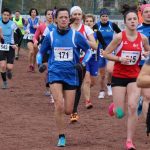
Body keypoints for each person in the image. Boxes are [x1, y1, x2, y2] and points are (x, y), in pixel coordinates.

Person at [36, 8, 92, 147]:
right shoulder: (51, 36)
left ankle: (69, 113)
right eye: (61, 17)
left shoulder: (76, 35)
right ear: (55, 20)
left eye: (66, 17)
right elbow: (41, 52)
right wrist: (40, 63)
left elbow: (89, 50)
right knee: (59, 104)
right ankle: (61, 136)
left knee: (68, 110)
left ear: (69, 19)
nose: (63, 19)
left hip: (71, 75)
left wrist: (83, 63)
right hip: (55, 73)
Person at [102, 4, 149, 150]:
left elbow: (148, 51)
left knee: (133, 107)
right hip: (119, 76)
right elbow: (105, 53)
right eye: (130, 19)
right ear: (125, 22)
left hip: (134, 76)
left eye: (135, 19)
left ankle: (129, 141)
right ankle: (115, 107)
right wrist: (119, 59)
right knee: (120, 114)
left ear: (138, 20)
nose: (133, 21)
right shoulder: (119, 37)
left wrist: (146, 54)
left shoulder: (143, 38)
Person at [69, 6, 97, 122]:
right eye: (74, 14)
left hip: (82, 63)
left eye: (79, 14)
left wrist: (82, 40)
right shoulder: (67, 28)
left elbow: (95, 46)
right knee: (70, 86)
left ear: (82, 16)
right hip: (67, 62)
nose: (76, 16)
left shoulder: (86, 29)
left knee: (80, 85)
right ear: (71, 16)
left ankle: (74, 110)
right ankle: (69, 106)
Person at [93, 8, 121, 99]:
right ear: (100, 17)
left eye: (106, 16)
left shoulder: (112, 25)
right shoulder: (96, 26)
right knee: (102, 74)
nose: (104, 18)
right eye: (102, 16)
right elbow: (94, 38)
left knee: (110, 70)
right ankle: (101, 91)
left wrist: (117, 44)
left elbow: (121, 34)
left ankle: (109, 86)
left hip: (111, 51)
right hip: (101, 51)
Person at [82, 13, 106, 112]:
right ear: (84, 22)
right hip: (84, 59)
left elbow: (104, 44)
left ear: (94, 23)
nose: (88, 23)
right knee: (87, 80)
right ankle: (87, 101)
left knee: (92, 82)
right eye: (87, 21)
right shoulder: (81, 33)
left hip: (94, 59)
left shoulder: (97, 33)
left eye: (90, 21)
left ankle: (84, 88)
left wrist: (106, 51)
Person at [33, 9, 55, 102]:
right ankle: (48, 89)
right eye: (48, 14)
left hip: (55, 51)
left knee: (52, 71)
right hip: (45, 50)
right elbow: (35, 36)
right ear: (45, 16)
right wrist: (36, 42)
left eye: (51, 14)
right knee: (47, 71)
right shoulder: (42, 26)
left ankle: (53, 90)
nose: (50, 16)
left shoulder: (59, 26)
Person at [0, 8, 22, 89]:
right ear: (2, 15)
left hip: (10, 47)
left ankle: (8, 71)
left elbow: (20, 35)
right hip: (1, 47)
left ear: (9, 16)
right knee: (2, 66)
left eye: (7, 15)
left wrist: (16, 44)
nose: (6, 16)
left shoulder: (13, 24)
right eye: (4, 15)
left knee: (9, 67)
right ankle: (5, 82)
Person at [137, 3, 150, 135]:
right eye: (146, 11)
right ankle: (148, 125)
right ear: (141, 13)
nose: (149, 14)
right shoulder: (137, 29)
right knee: (147, 96)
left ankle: (140, 100)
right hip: (142, 66)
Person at [26, 8, 40, 72]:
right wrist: (26, 30)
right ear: (30, 13)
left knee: (35, 53)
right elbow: (24, 27)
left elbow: (41, 28)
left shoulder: (39, 20)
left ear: (36, 13)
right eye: (32, 12)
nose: (33, 13)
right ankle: (29, 65)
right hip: (29, 37)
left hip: (36, 39)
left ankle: (33, 66)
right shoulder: (27, 20)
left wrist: (37, 27)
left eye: (34, 12)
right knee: (31, 51)